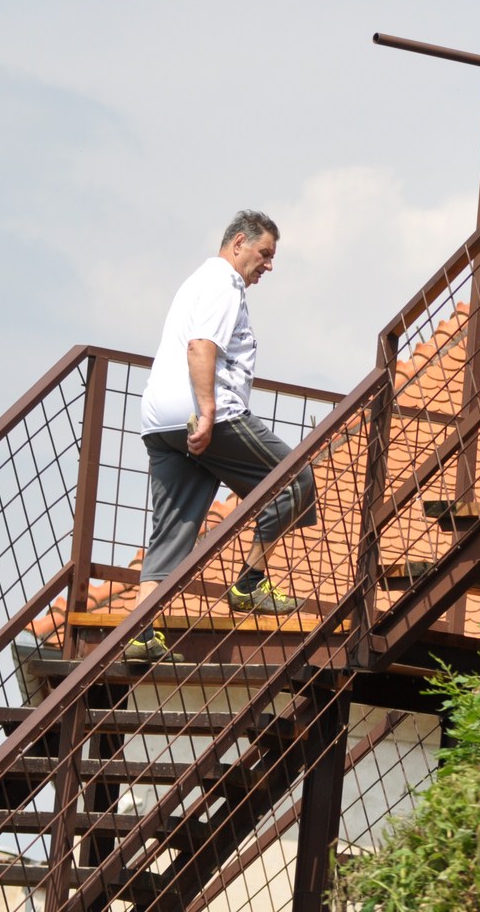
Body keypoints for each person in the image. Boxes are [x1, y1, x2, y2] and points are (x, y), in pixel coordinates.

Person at [126, 210, 317, 663]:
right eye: (264, 253)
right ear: (238, 243)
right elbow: (201, 346)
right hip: (206, 414)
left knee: (174, 529)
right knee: (295, 480)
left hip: (160, 422)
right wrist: (209, 411)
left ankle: (138, 634)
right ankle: (250, 584)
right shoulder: (224, 283)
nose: (268, 265)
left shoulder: (194, 282)